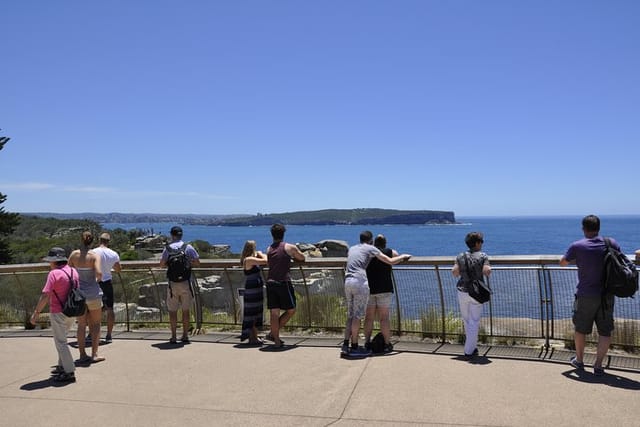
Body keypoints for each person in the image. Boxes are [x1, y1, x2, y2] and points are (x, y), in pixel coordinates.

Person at [560, 214, 619, 376]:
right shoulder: (610, 243)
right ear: (598, 228)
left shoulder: (578, 246)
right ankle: (598, 365)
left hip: (586, 294)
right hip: (607, 295)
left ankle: (579, 360)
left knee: (580, 329)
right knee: (605, 331)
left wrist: (579, 260)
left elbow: (563, 262)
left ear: (583, 228)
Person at [342, 231, 411, 357]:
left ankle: (363, 342)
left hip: (361, 286)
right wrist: (403, 257)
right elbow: (391, 259)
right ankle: (384, 344)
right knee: (383, 318)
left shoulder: (356, 250)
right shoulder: (376, 250)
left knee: (366, 317)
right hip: (376, 287)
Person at [29, 247, 79, 383]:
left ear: (53, 261)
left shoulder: (54, 274)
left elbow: (46, 295)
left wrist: (36, 312)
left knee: (61, 342)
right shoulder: (73, 271)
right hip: (72, 311)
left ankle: (69, 372)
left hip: (58, 312)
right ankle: (62, 366)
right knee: (62, 341)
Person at [452, 232, 491, 359]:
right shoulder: (483, 256)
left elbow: (455, 273)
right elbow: (486, 271)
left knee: (467, 320)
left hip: (462, 290)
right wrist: (487, 269)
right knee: (474, 321)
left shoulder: (460, 256)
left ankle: (472, 347)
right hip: (476, 292)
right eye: (482, 242)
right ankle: (468, 351)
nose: (482, 244)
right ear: (477, 243)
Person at [266, 223, 305, 348]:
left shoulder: (269, 249)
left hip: (270, 282)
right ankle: (273, 334)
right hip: (283, 282)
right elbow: (302, 258)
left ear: (272, 235)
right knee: (291, 310)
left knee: (274, 313)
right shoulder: (289, 247)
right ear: (283, 234)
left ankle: (275, 339)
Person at [159, 226, 200, 344]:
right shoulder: (188, 247)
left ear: (172, 235)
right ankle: (185, 336)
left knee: (172, 311)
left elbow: (161, 264)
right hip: (186, 283)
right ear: (181, 235)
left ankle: (173, 336)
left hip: (172, 284)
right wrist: (188, 262)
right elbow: (197, 262)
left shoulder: (167, 248)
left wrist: (169, 264)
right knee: (185, 311)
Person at [68, 231, 105, 363]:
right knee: (95, 324)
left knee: (81, 325)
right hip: (93, 293)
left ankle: (82, 354)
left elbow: (68, 271)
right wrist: (95, 280)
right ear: (92, 242)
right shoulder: (94, 256)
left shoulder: (74, 255)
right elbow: (99, 273)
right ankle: (94, 354)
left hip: (79, 295)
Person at [364, 234, 399, 353]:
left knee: (369, 318)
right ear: (385, 243)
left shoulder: (369, 253)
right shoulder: (388, 252)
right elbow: (396, 255)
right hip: (384, 289)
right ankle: (386, 344)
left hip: (369, 289)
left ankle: (367, 343)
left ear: (374, 243)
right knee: (384, 318)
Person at [91, 232, 121, 343]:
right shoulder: (113, 254)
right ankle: (109, 335)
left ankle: (92, 333)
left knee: (92, 308)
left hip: (95, 282)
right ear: (109, 241)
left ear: (99, 240)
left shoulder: (93, 252)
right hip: (107, 282)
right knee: (110, 308)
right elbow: (118, 269)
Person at [239, 240, 268, 345]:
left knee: (255, 312)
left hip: (255, 287)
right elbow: (265, 261)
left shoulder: (248, 259)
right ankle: (252, 338)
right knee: (252, 313)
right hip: (252, 288)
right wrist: (261, 254)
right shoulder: (249, 259)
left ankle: (254, 337)